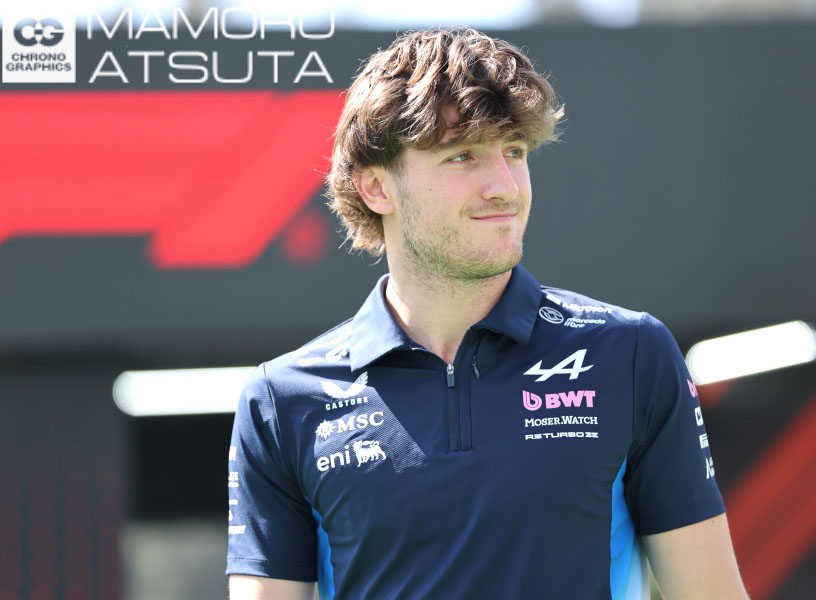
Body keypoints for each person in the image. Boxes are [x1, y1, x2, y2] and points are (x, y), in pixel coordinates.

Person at [226, 27, 749, 600]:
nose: (505, 187)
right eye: (463, 155)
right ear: (376, 187)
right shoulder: (281, 401)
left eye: (515, 152)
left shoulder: (630, 354)